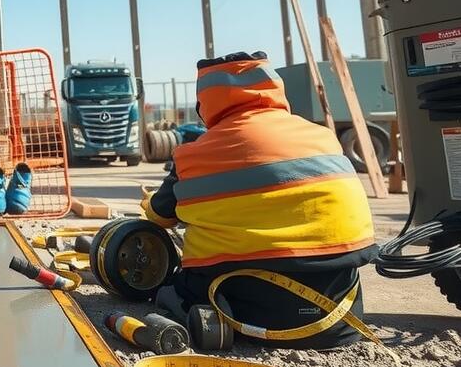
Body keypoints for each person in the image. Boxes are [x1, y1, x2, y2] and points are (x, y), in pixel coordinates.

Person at [143, 51, 377, 348]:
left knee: (168, 291)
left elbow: (159, 216)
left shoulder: (194, 155)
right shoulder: (322, 137)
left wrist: (150, 203)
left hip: (238, 301)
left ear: (206, 104)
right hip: (338, 310)